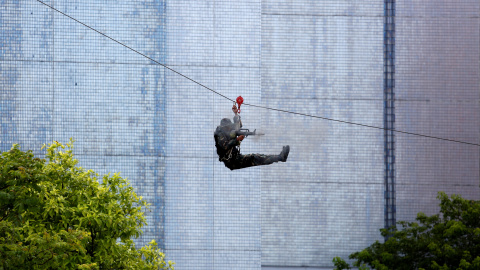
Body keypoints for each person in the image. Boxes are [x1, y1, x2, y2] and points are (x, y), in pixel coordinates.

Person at [214, 104, 290, 170]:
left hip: (235, 157)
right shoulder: (219, 134)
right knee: (256, 158)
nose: (230, 128)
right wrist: (237, 139)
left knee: (257, 157)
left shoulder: (228, 130)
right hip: (231, 161)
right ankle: (280, 157)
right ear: (224, 127)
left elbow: (238, 126)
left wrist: (236, 113)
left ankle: (280, 157)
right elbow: (225, 146)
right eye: (228, 127)